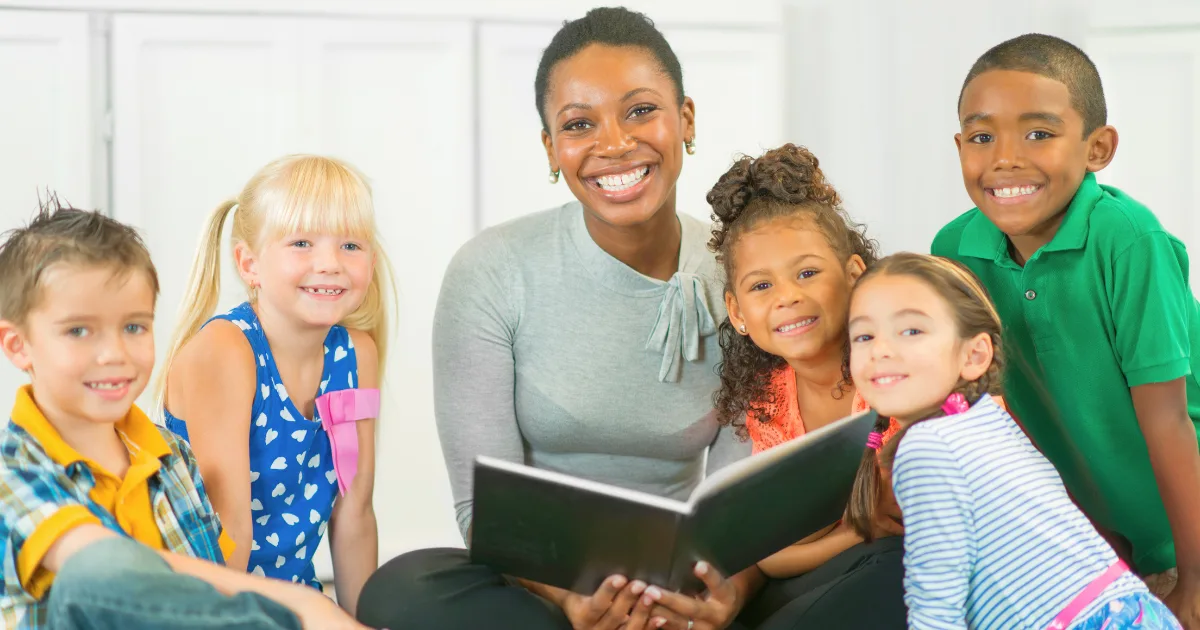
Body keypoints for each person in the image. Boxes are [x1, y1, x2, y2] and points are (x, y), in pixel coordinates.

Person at [356, 7, 763, 630]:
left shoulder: (745, 276)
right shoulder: (492, 269)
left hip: (686, 579)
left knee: (865, 575)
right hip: (538, 582)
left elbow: (740, 502)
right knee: (399, 589)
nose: (615, 144)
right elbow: (482, 508)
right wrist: (571, 602)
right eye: (579, 124)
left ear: (685, 119)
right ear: (551, 148)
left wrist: (723, 592)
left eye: (640, 110)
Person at [931, 32, 1200, 627]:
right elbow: (987, 410)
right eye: (981, 137)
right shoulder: (953, 249)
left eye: (1039, 133)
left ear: (1098, 148)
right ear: (959, 147)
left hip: (1185, 524)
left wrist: (1197, 581)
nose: (1004, 158)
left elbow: (1168, 419)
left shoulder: (1130, 240)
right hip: (1089, 537)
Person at [0, 197, 368, 630]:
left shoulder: (172, 456)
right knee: (95, 570)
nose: (114, 354)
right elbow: (110, 571)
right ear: (18, 345)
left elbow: (209, 595)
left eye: (134, 327)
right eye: (79, 331)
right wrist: (308, 608)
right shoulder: (13, 472)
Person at [846, 252, 1181, 629]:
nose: (881, 350)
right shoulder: (984, 418)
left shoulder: (926, 448)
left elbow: (936, 603)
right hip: (1132, 610)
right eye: (863, 335)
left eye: (911, 331)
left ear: (974, 354)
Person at [159, 155, 393, 615]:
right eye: (302, 243)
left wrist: (361, 624)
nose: (329, 264)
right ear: (249, 264)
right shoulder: (227, 351)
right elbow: (230, 536)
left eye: (351, 245)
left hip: (293, 603)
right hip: (206, 604)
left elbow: (355, 516)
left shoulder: (355, 354)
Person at [704, 143, 906, 628]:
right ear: (738, 313)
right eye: (761, 286)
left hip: (914, 568)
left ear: (856, 275)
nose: (788, 297)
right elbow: (772, 554)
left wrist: (851, 537)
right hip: (836, 569)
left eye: (808, 273)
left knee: (893, 564)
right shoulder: (771, 400)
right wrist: (857, 532)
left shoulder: (901, 371)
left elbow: (911, 521)